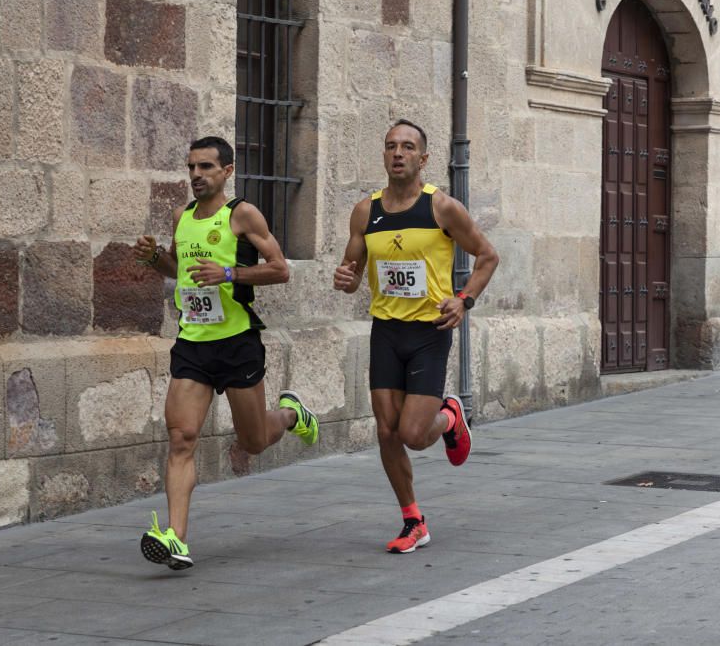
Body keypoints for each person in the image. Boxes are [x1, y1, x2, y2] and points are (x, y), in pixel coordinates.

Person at [132, 136, 318, 570]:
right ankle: (176, 538)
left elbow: (280, 269)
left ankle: (291, 415)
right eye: (192, 167)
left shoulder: (242, 215)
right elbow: (179, 270)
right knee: (181, 438)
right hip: (193, 342)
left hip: (237, 343)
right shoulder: (181, 215)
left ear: (227, 171)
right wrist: (156, 257)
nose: (196, 175)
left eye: (206, 167)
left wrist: (230, 273)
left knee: (253, 441)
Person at [333, 119, 499, 553]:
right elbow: (352, 275)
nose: (398, 153)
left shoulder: (442, 208)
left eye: (407, 147)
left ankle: (449, 416)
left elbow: (487, 255)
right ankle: (413, 521)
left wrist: (464, 298)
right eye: (391, 146)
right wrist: (344, 278)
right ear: (384, 155)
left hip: (429, 332)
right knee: (386, 432)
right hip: (386, 330)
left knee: (413, 433)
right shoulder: (365, 212)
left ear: (423, 159)